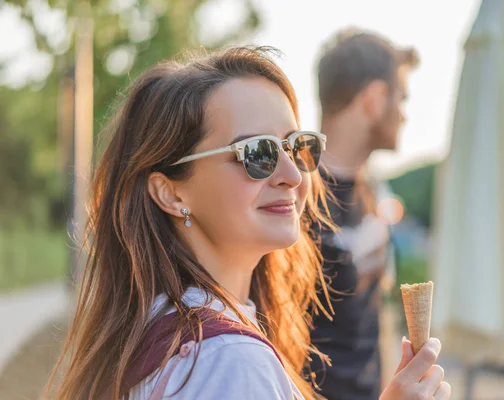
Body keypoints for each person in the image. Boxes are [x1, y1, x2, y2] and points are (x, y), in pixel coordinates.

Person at [45, 46, 450, 400]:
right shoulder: (229, 360)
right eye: (258, 153)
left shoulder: (159, 327)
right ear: (171, 193)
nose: (293, 174)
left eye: (298, 147)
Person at [310, 29, 420, 400]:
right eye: (401, 98)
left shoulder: (370, 190)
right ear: (374, 98)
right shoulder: (291, 197)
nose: (404, 115)